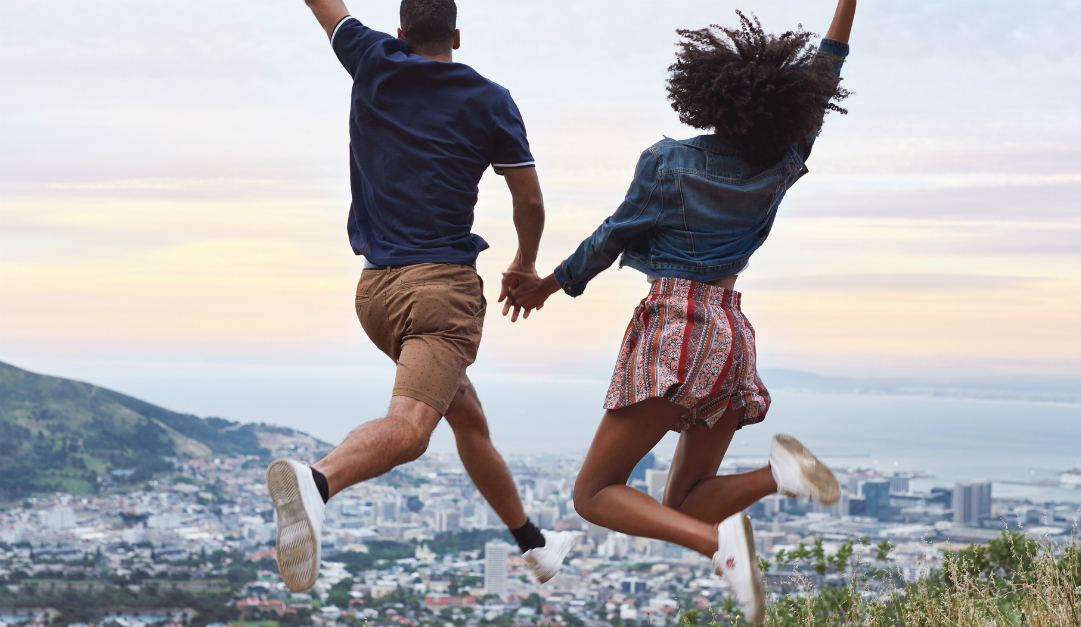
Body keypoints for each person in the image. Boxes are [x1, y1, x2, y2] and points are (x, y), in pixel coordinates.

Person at [501, 1, 857, 621]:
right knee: (685, 502)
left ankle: (717, 548)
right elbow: (825, 74)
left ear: (709, 95)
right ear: (788, 104)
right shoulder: (784, 160)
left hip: (678, 330)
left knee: (593, 494)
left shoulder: (668, 162)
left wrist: (546, 286)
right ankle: (778, 474)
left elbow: (611, 236)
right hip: (731, 335)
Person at [266, 0, 572, 593]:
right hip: (439, 297)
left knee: (468, 418)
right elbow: (529, 200)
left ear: (402, 33)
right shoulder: (490, 99)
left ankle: (533, 544)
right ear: (456, 33)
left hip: (376, 298)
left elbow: (325, 6)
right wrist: (525, 262)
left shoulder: (373, 58)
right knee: (410, 429)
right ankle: (317, 481)